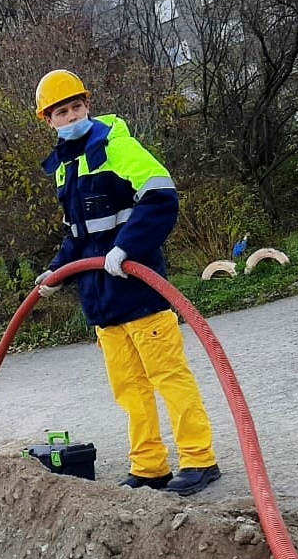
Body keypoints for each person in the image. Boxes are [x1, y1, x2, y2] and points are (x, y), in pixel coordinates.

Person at [32, 69, 220, 496]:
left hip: (139, 290)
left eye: (77, 106)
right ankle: (149, 466)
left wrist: (127, 247)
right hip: (101, 299)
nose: (72, 114)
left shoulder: (115, 145)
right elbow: (78, 234)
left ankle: (198, 460)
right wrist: (57, 271)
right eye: (63, 111)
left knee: (169, 378)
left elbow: (160, 194)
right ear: (49, 120)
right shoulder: (65, 168)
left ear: (87, 105)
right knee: (130, 391)